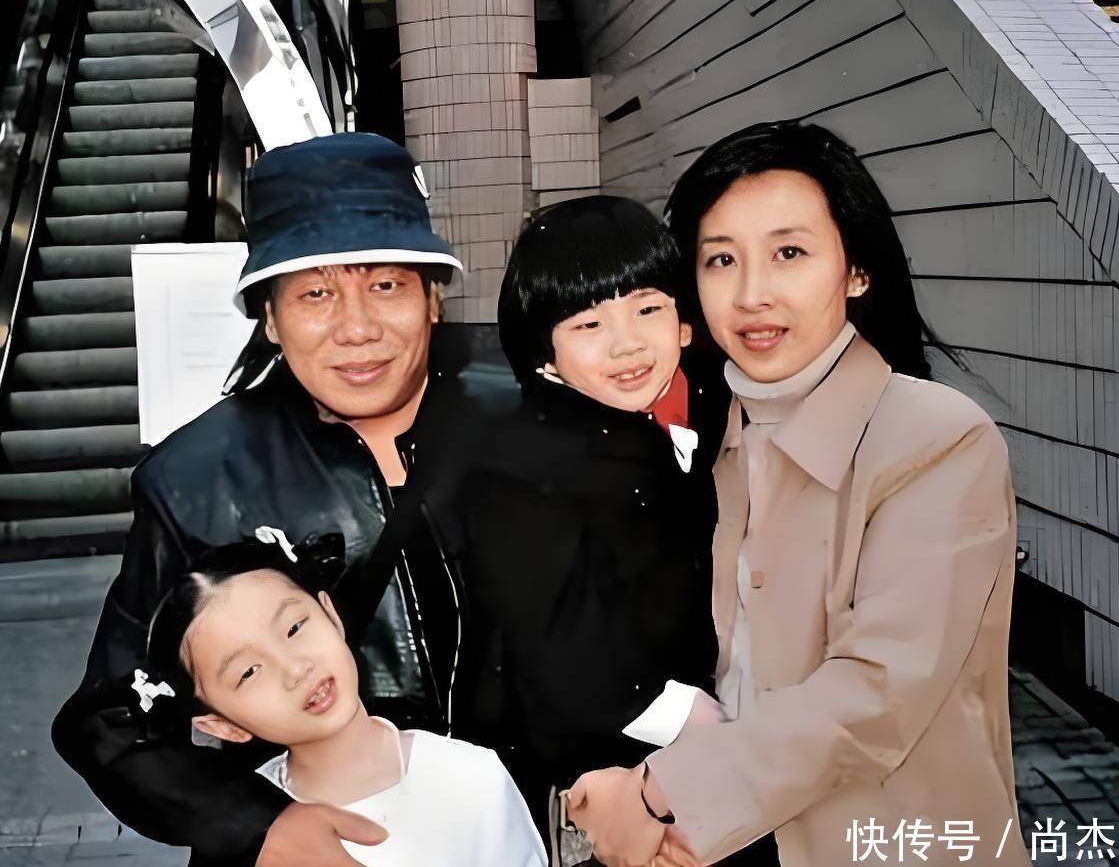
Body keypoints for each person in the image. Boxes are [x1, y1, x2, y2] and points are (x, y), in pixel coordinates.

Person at [565, 121, 1031, 867]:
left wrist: (660, 792)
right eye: (722, 259)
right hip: (726, 841)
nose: (752, 294)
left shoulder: (937, 437)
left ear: (857, 271)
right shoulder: (711, 438)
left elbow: (876, 694)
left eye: (789, 253)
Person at [51, 132, 516, 867]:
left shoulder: (530, 418)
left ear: (432, 296)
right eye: (315, 294)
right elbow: (112, 714)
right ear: (269, 317)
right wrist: (255, 822)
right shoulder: (199, 478)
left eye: (386, 285)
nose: (357, 328)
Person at [424, 196, 773, 867]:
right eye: (588, 323)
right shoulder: (520, 468)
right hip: (607, 772)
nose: (626, 343)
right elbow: (563, 656)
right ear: (545, 350)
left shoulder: (695, 411)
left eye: (647, 308)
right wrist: (707, 725)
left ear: (684, 322)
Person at [138, 540, 548, 867]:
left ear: (331, 616)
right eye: (249, 672)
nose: (295, 669)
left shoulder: (470, 775)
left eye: (294, 628)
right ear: (223, 726)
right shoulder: (251, 835)